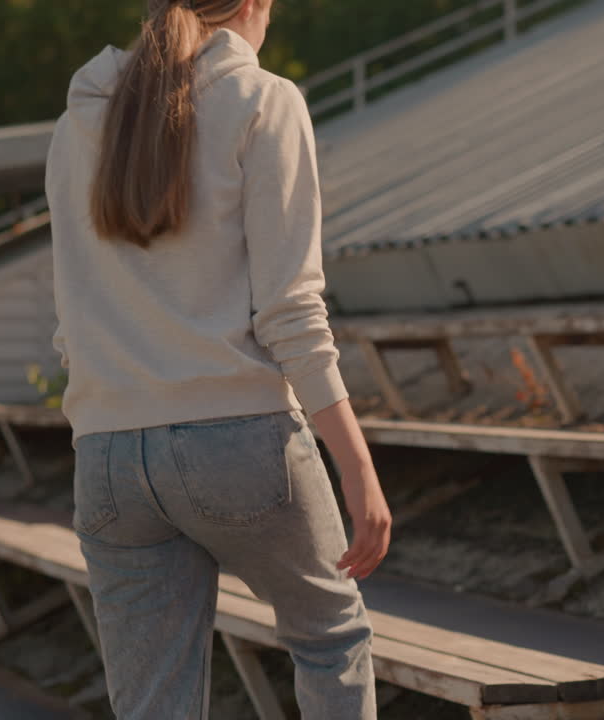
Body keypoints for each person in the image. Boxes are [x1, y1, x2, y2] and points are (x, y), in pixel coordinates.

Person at [44, 0, 391, 717]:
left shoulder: (77, 122)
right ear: (255, 4)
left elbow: (68, 316)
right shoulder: (265, 101)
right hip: (240, 441)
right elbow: (291, 312)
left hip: (106, 454)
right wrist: (357, 470)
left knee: (152, 703)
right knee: (330, 642)